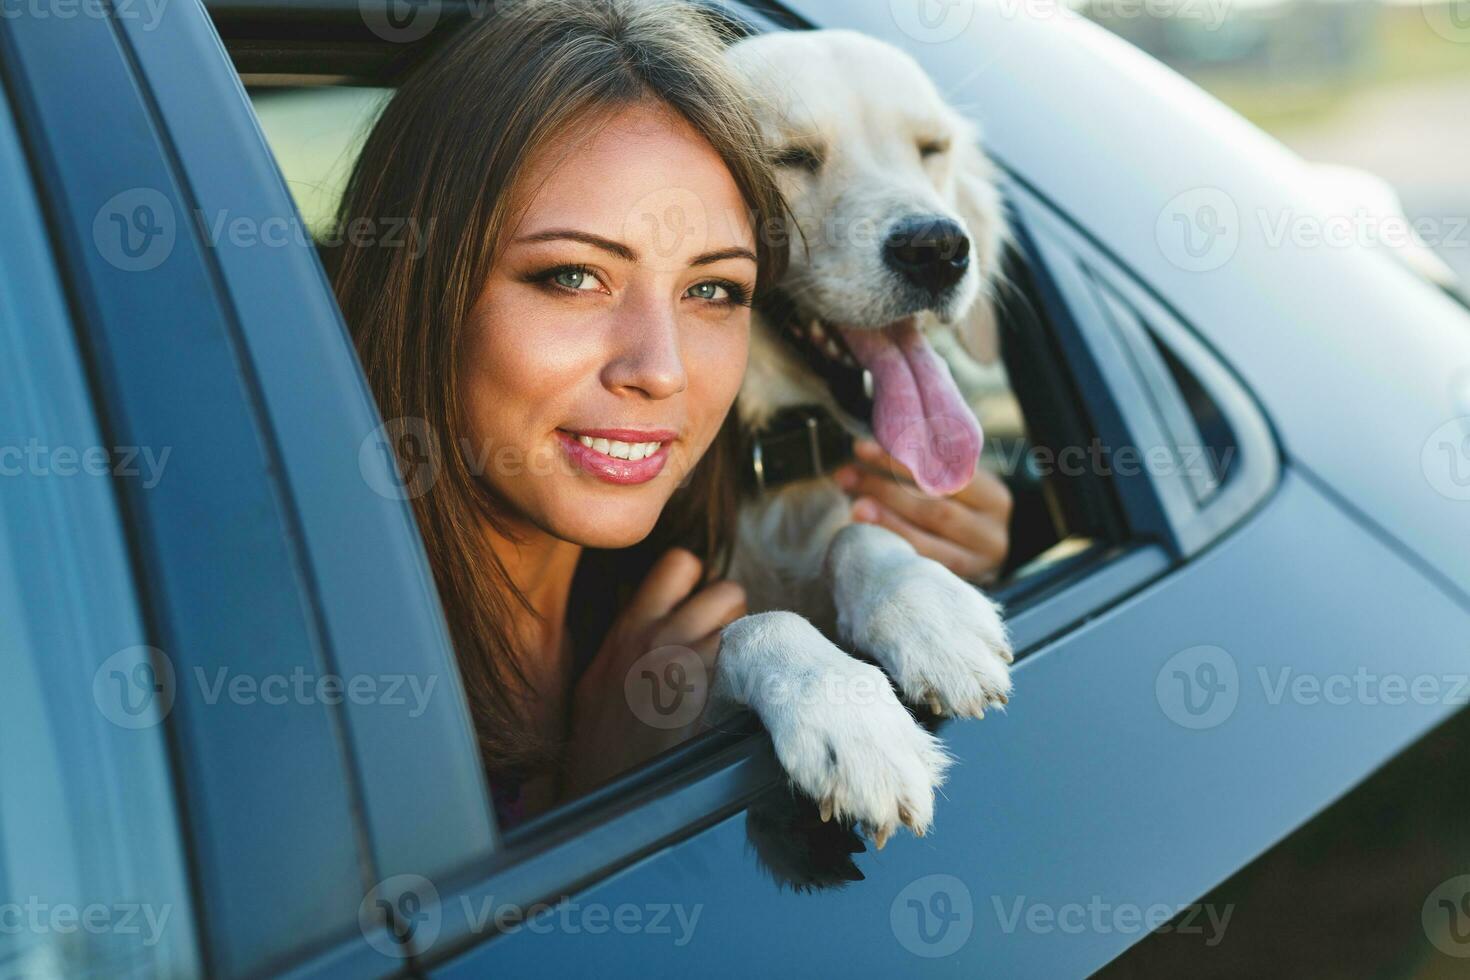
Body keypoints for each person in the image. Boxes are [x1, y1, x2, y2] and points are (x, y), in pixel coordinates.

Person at [331, 0, 786, 824]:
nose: (661, 369)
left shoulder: (697, 614)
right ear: (421, 288)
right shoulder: (315, 683)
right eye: (573, 276)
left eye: (712, 290)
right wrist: (607, 806)